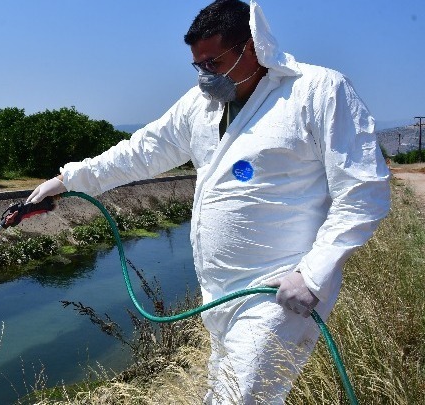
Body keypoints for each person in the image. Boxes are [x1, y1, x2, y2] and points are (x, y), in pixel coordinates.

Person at [27, 0, 390, 403]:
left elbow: (363, 192)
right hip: (217, 295)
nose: (205, 75)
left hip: (278, 292)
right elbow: (139, 152)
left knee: (242, 397)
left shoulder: (317, 91)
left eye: (213, 62)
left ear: (251, 49)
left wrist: (313, 275)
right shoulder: (200, 107)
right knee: (225, 394)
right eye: (198, 65)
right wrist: (64, 180)